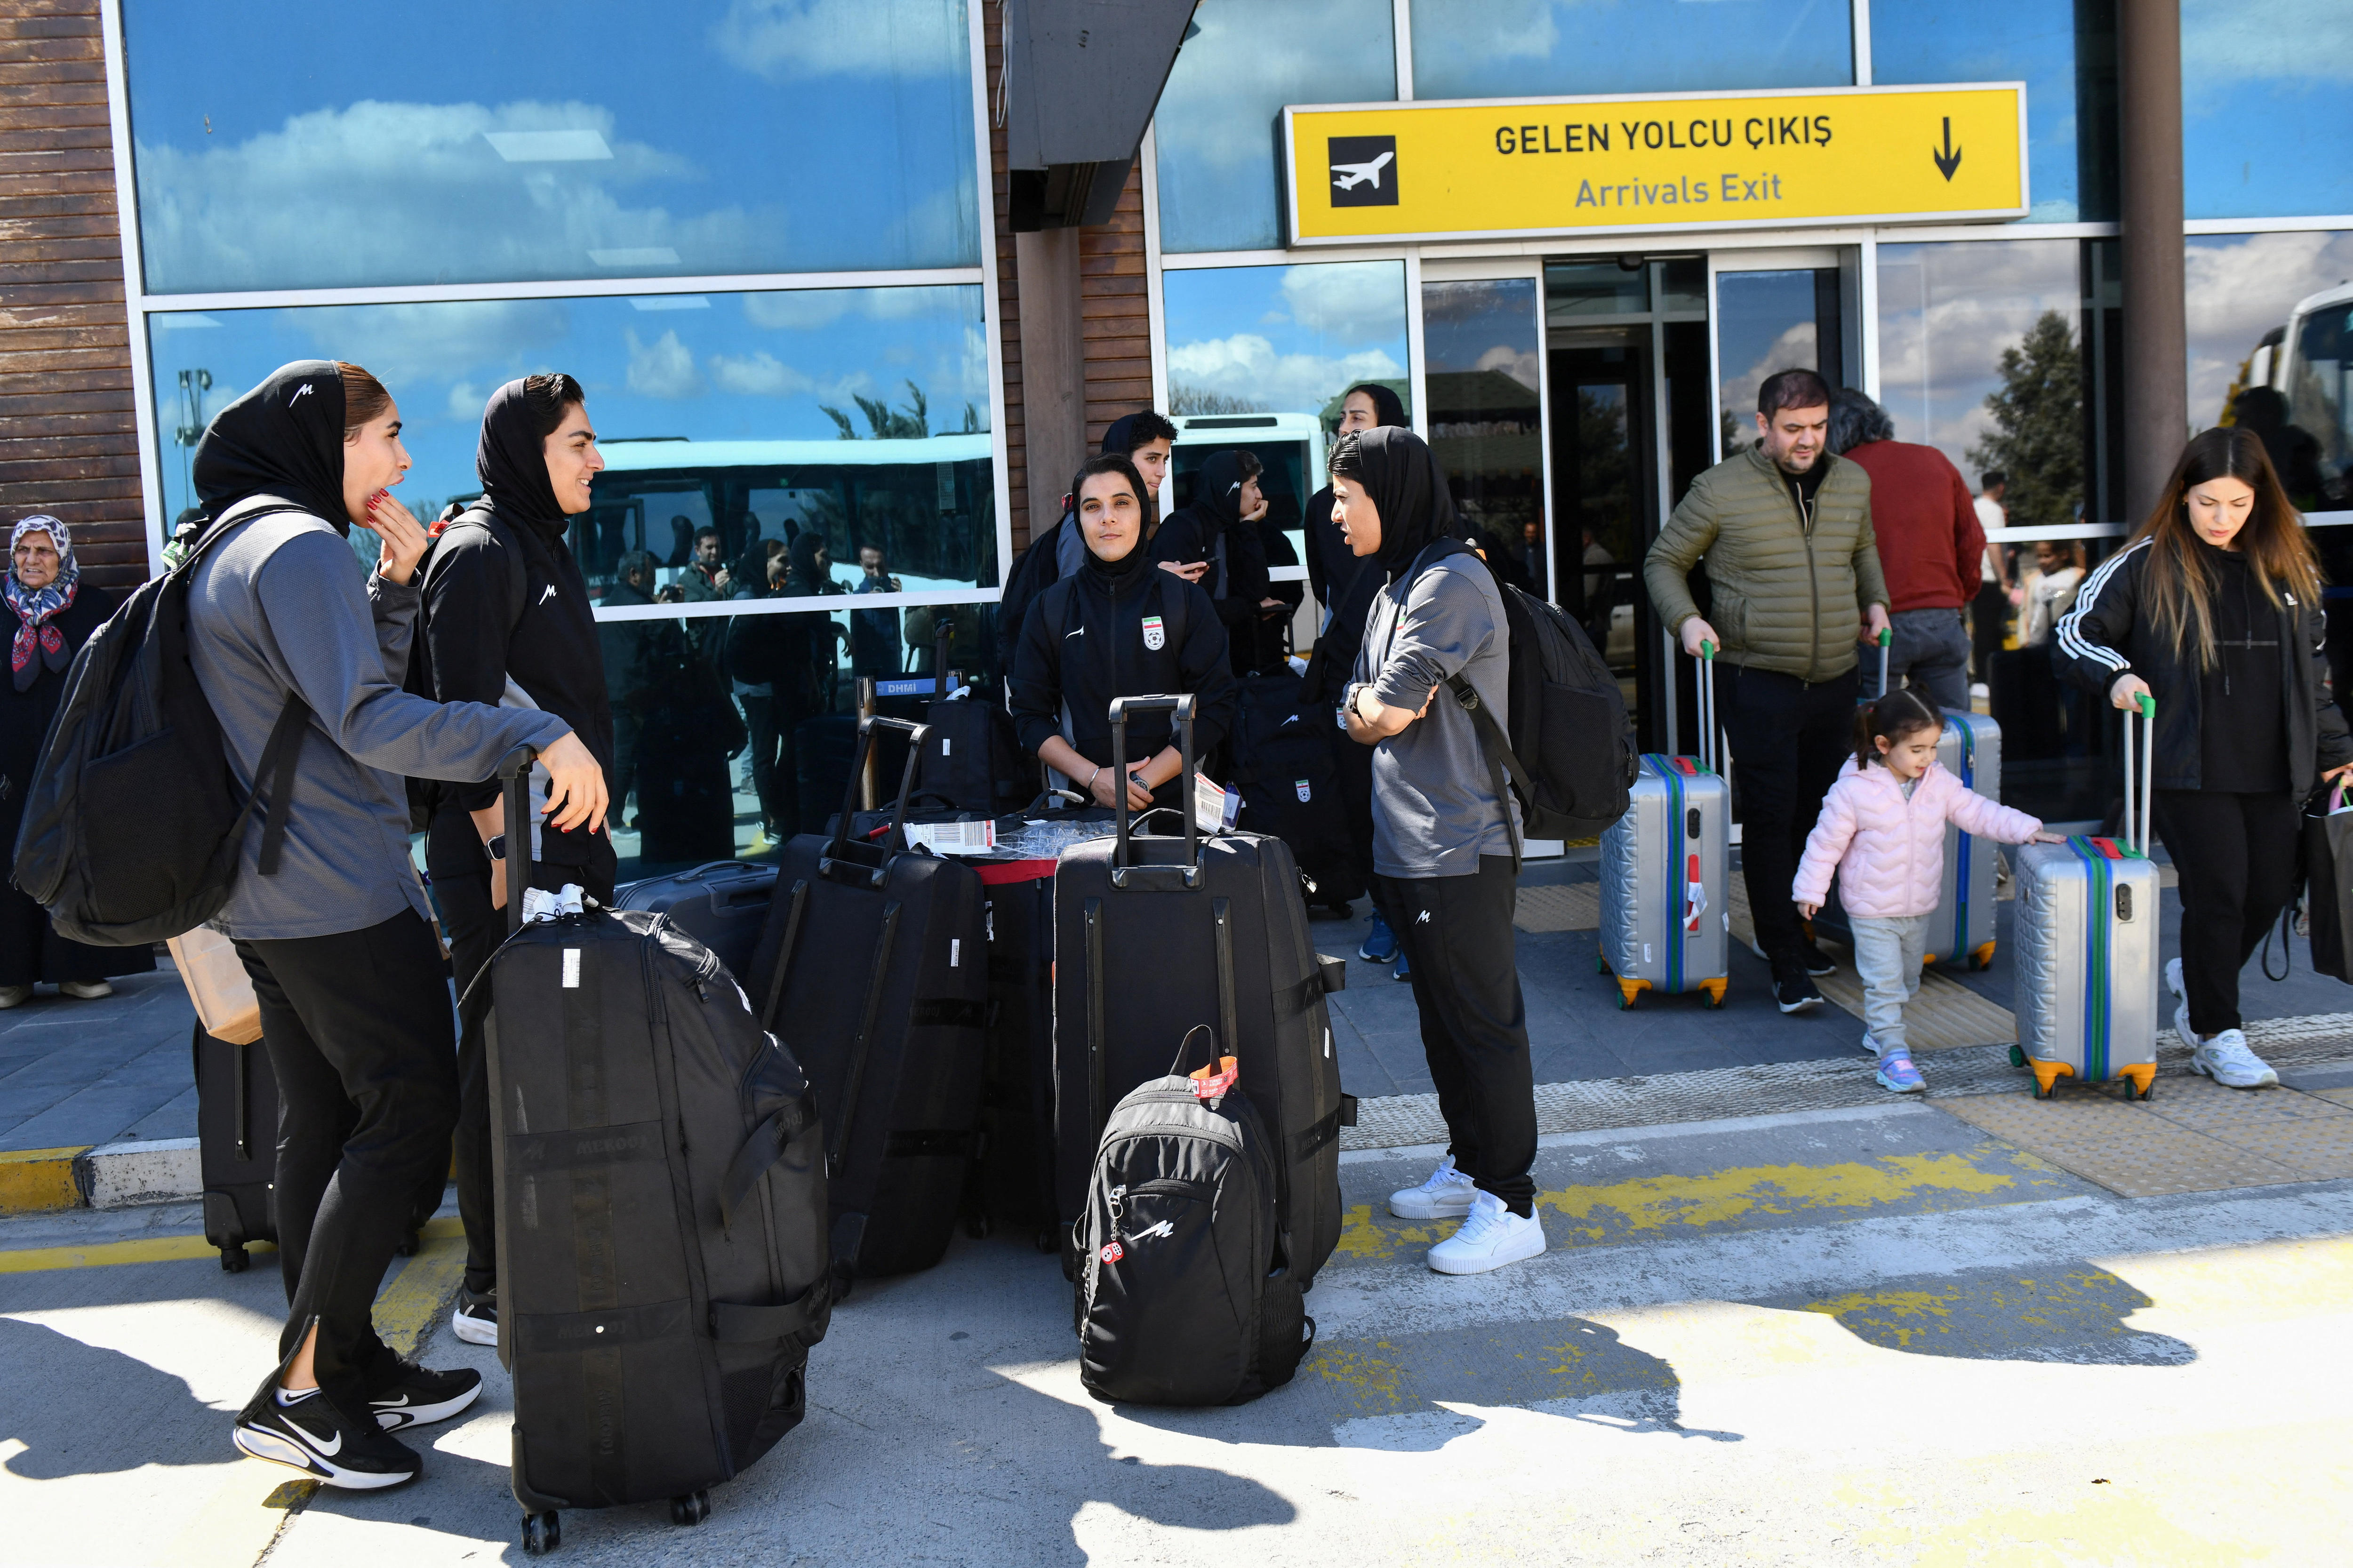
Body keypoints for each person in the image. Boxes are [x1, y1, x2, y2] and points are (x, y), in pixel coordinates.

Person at [184, 360, 606, 1489]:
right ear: (328, 441)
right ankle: (307, 1391)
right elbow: (370, 721)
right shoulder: (297, 545)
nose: (403, 459)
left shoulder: (239, 540)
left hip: (266, 894)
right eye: (384, 434)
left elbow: (319, 696)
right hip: (337, 888)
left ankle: (350, 1360)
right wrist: (532, 736)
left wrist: (390, 591)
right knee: (414, 1110)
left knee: (320, 1120)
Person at [416, 376, 619, 1351]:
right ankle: (487, 1284)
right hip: (505, 862)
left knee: (554, 1061)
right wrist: (503, 850)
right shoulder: (479, 551)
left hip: (562, 855)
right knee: (499, 1066)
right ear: (527, 450)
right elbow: (455, 718)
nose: (597, 460)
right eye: (579, 443)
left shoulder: (541, 544)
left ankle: (548, 1256)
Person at [2057, 426, 2353, 1089]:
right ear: (2183, 495)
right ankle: (2219, 1033)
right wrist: (2117, 676)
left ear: (2261, 501)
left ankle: (2196, 978)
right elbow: (2076, 631)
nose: (2222, 519)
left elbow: (2314, 672)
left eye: (2238, 504)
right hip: (2187, 765)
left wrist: (2338, 753)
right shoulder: (2146, 562)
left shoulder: (2287, 570)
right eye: (2208, 503)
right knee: (2219, 895)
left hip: (2276, 765)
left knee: (2271, 891)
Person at [1336, 427, 1541, 1277]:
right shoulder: (1396, 586)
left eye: (1349, 498)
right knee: (1444, 1021)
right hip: (1411, 841)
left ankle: (1513, 1201)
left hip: (1464, 840)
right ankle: (1469, 1165)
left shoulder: (1452, 580)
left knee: (1485, 1025)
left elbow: (1383, 711)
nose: (1338, 515)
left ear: (1395, 494)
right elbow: (1355, 704)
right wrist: (1367, 707)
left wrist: (1368, 708)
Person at [1644, 367, 1892, 1014]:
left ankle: (1802, 933)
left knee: (1821, 818)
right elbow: (1663, 562)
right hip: (1758, 678)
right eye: (1793, 430)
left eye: (1817, 427)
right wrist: (1687, 618)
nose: (1808, 441)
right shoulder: (1721, 489)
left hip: (1835, 676)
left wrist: (1876, 601)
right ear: (1763, 426)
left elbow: (1862, 548)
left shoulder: (1852, 481)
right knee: (1772, 817)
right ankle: (1785, 961)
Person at [1794, 689, 2057, 1094]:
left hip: (1917, 904)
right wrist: (1811, 890)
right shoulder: (1854, 791)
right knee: (1883, 983)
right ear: (1883, 745)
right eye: (1918, 749)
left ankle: (1883, 1030)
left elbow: (1977, 811)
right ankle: (1894, 1055)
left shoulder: (1937, 783)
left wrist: (2027, 829)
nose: (1928, 758)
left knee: (1907, 980)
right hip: (1871, 907)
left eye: (1933, 747)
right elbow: (1824, 844)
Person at [1007, 453, 1235, 815]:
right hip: (1079, 809)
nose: (1107, 517)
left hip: (1174, 812)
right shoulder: (1050, 607)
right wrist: (1095, 778)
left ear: (1142, 512)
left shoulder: (1184, 601)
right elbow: (1028, 715)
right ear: (1079, 521)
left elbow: (1216, 706)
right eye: (1092, 506)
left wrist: (1139, 784)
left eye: (1122, 503)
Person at [0, 516, 150, 1006]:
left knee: (75, 858)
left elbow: (113, 680)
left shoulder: (93, 606)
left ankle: (79, 968)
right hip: (9, 764)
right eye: (23, 549)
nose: (31, 560)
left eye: (43, 551)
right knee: (8, 861)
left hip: (73, 756)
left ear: (63, 556)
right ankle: (11, 975)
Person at [1305, 384, 1409, 965]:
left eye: (1356, 417)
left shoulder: (1413, 498)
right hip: (1348, 675)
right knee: (1359, 802)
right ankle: (1386, 914)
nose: (1344, 426)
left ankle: (1417, 921)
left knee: (1410, 802)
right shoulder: (1322, 507)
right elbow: (1326, 587)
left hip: (1415, 674)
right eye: (1341, 417)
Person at [1826, 388, 1983, 711]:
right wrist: (1957, 597)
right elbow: (1971, 541)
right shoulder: (1934, 460)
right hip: (1941, 618)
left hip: (1875, 627)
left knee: (1874, 738)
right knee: (1955, 730)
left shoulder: (1838, 474)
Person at [994, 409, 1178, 674]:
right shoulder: (1082, 527)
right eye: (1152, 458)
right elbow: (1077, 614)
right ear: (1122, 459)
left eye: (1165, 460)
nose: (1161, 472)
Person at [1150, 448, 1275, 675]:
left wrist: (1248, 528)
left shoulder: (1233, 529)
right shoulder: (1181, 528)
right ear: (1233, 487)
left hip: (1223, 667)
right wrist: (1251, 609)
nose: (1260, 495)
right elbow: (1189, 609)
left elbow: (1257, 590)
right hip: (1185, 670)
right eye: (1254, 486)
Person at [598, 549, 658, 822]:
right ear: (634, 575)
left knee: (621, 754)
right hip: (633, 695)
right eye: (651, 575)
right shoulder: (641, 606)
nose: (654, 582)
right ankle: (614, 815)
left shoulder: (610, 604)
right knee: (626, 756)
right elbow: (666, 641)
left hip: (610, 691)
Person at [1971, 472, 2012, 687]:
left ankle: (1982, 676)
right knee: (1992, 630)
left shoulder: (1975, 506)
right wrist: (2003, 577)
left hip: (1975, 576)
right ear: (2001, 487)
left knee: (1981, 629)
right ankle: (1990, 677)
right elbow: (1994, 544)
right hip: (1989, 577)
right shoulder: (1994, 510)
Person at [849, 542, 903, 679]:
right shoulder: (857, 596)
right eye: (870, 567)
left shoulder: (895, 590)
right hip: (865, 663)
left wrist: (900, 597)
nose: (876, 573)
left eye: (880, 566)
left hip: (891, 662)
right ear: (861, 564)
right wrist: (864, 600)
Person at [2020, 539, 2085, 648]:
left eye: (2047, 556)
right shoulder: (2033, 580)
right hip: (2038, 641)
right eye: (2039, 557)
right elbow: (2025, 611)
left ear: (2064, 555)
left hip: (2067, 640)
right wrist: (2025, 639)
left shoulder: (2077, 577)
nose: (2042, 561)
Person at [680, 525, 727, 600]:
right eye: (709, 547)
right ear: (697, 550)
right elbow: (695, 610)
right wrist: (717, 592)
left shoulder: (729, 574)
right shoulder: (686, 580)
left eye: (717, 547)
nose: (714, 552)